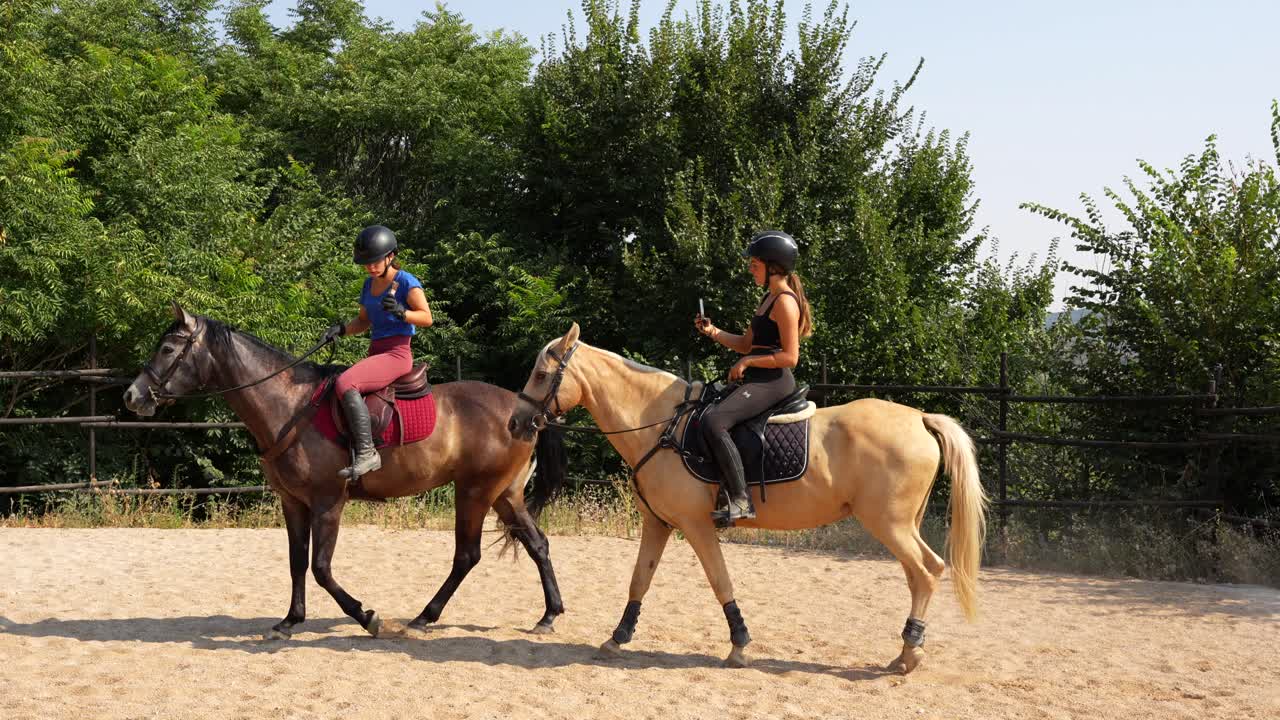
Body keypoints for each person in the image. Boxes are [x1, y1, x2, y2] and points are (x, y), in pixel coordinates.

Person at [694, 230, 813, 525]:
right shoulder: (767, 298)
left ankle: (741, 500)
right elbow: (746, 343)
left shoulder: (785, 302)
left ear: (773, 266)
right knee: (706, 410)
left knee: (714, 421)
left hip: (774, 380)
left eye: (755, 264)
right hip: (758, 377)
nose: (750, 268)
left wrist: (748, 361)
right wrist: (712, 332)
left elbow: (790, 357)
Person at [320, 225, 433, 482]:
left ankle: (368, 453)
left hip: (397, 353)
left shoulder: (406, 281)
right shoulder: (368, 284)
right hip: (376, 352)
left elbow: (427, 318)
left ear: (390, 256)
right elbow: (363, 321)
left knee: (345, 383)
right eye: (365, 263)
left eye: (374, 261)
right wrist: (340, 329)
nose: (369, 267)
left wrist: (402, 312)